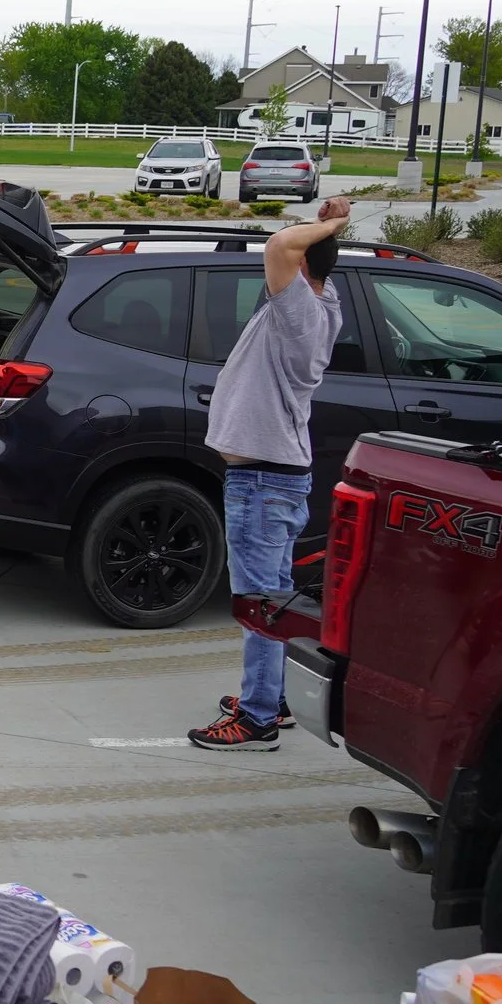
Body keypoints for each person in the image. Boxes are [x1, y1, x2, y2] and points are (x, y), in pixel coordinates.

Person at [190, 194, 355, 751]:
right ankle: (274, 697)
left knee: (258, 605)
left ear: (303, 266)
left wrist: (331, 224)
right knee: (275, 600)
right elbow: (299, 252)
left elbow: (281, 244)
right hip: (274, 477)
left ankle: (258, 718)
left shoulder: (301, 312)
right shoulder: (321, 303)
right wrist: (329, 225)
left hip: (262, 482)